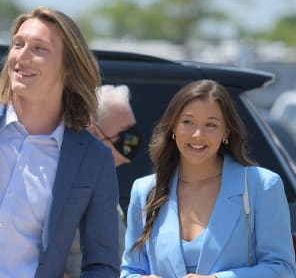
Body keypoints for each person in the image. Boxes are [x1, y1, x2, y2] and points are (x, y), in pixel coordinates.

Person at [0, 7, 120, 277]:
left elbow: (102, 264)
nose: (21, 56)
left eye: (39, 48)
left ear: (68, 67)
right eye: (17, 44)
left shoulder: (93, 159)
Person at [121, 79, 296, 278]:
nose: (198, 134)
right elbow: (129, 271)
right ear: (173, 128)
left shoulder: (262, 186)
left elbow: (282, 269)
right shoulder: (144, 190)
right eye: (188, 122)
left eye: (211, 124)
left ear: (226, 132)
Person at [64, 84, 142, 278]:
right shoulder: (65, 190)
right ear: (93, 133)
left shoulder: (100, 184)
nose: (132, 141)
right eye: (125, 133)